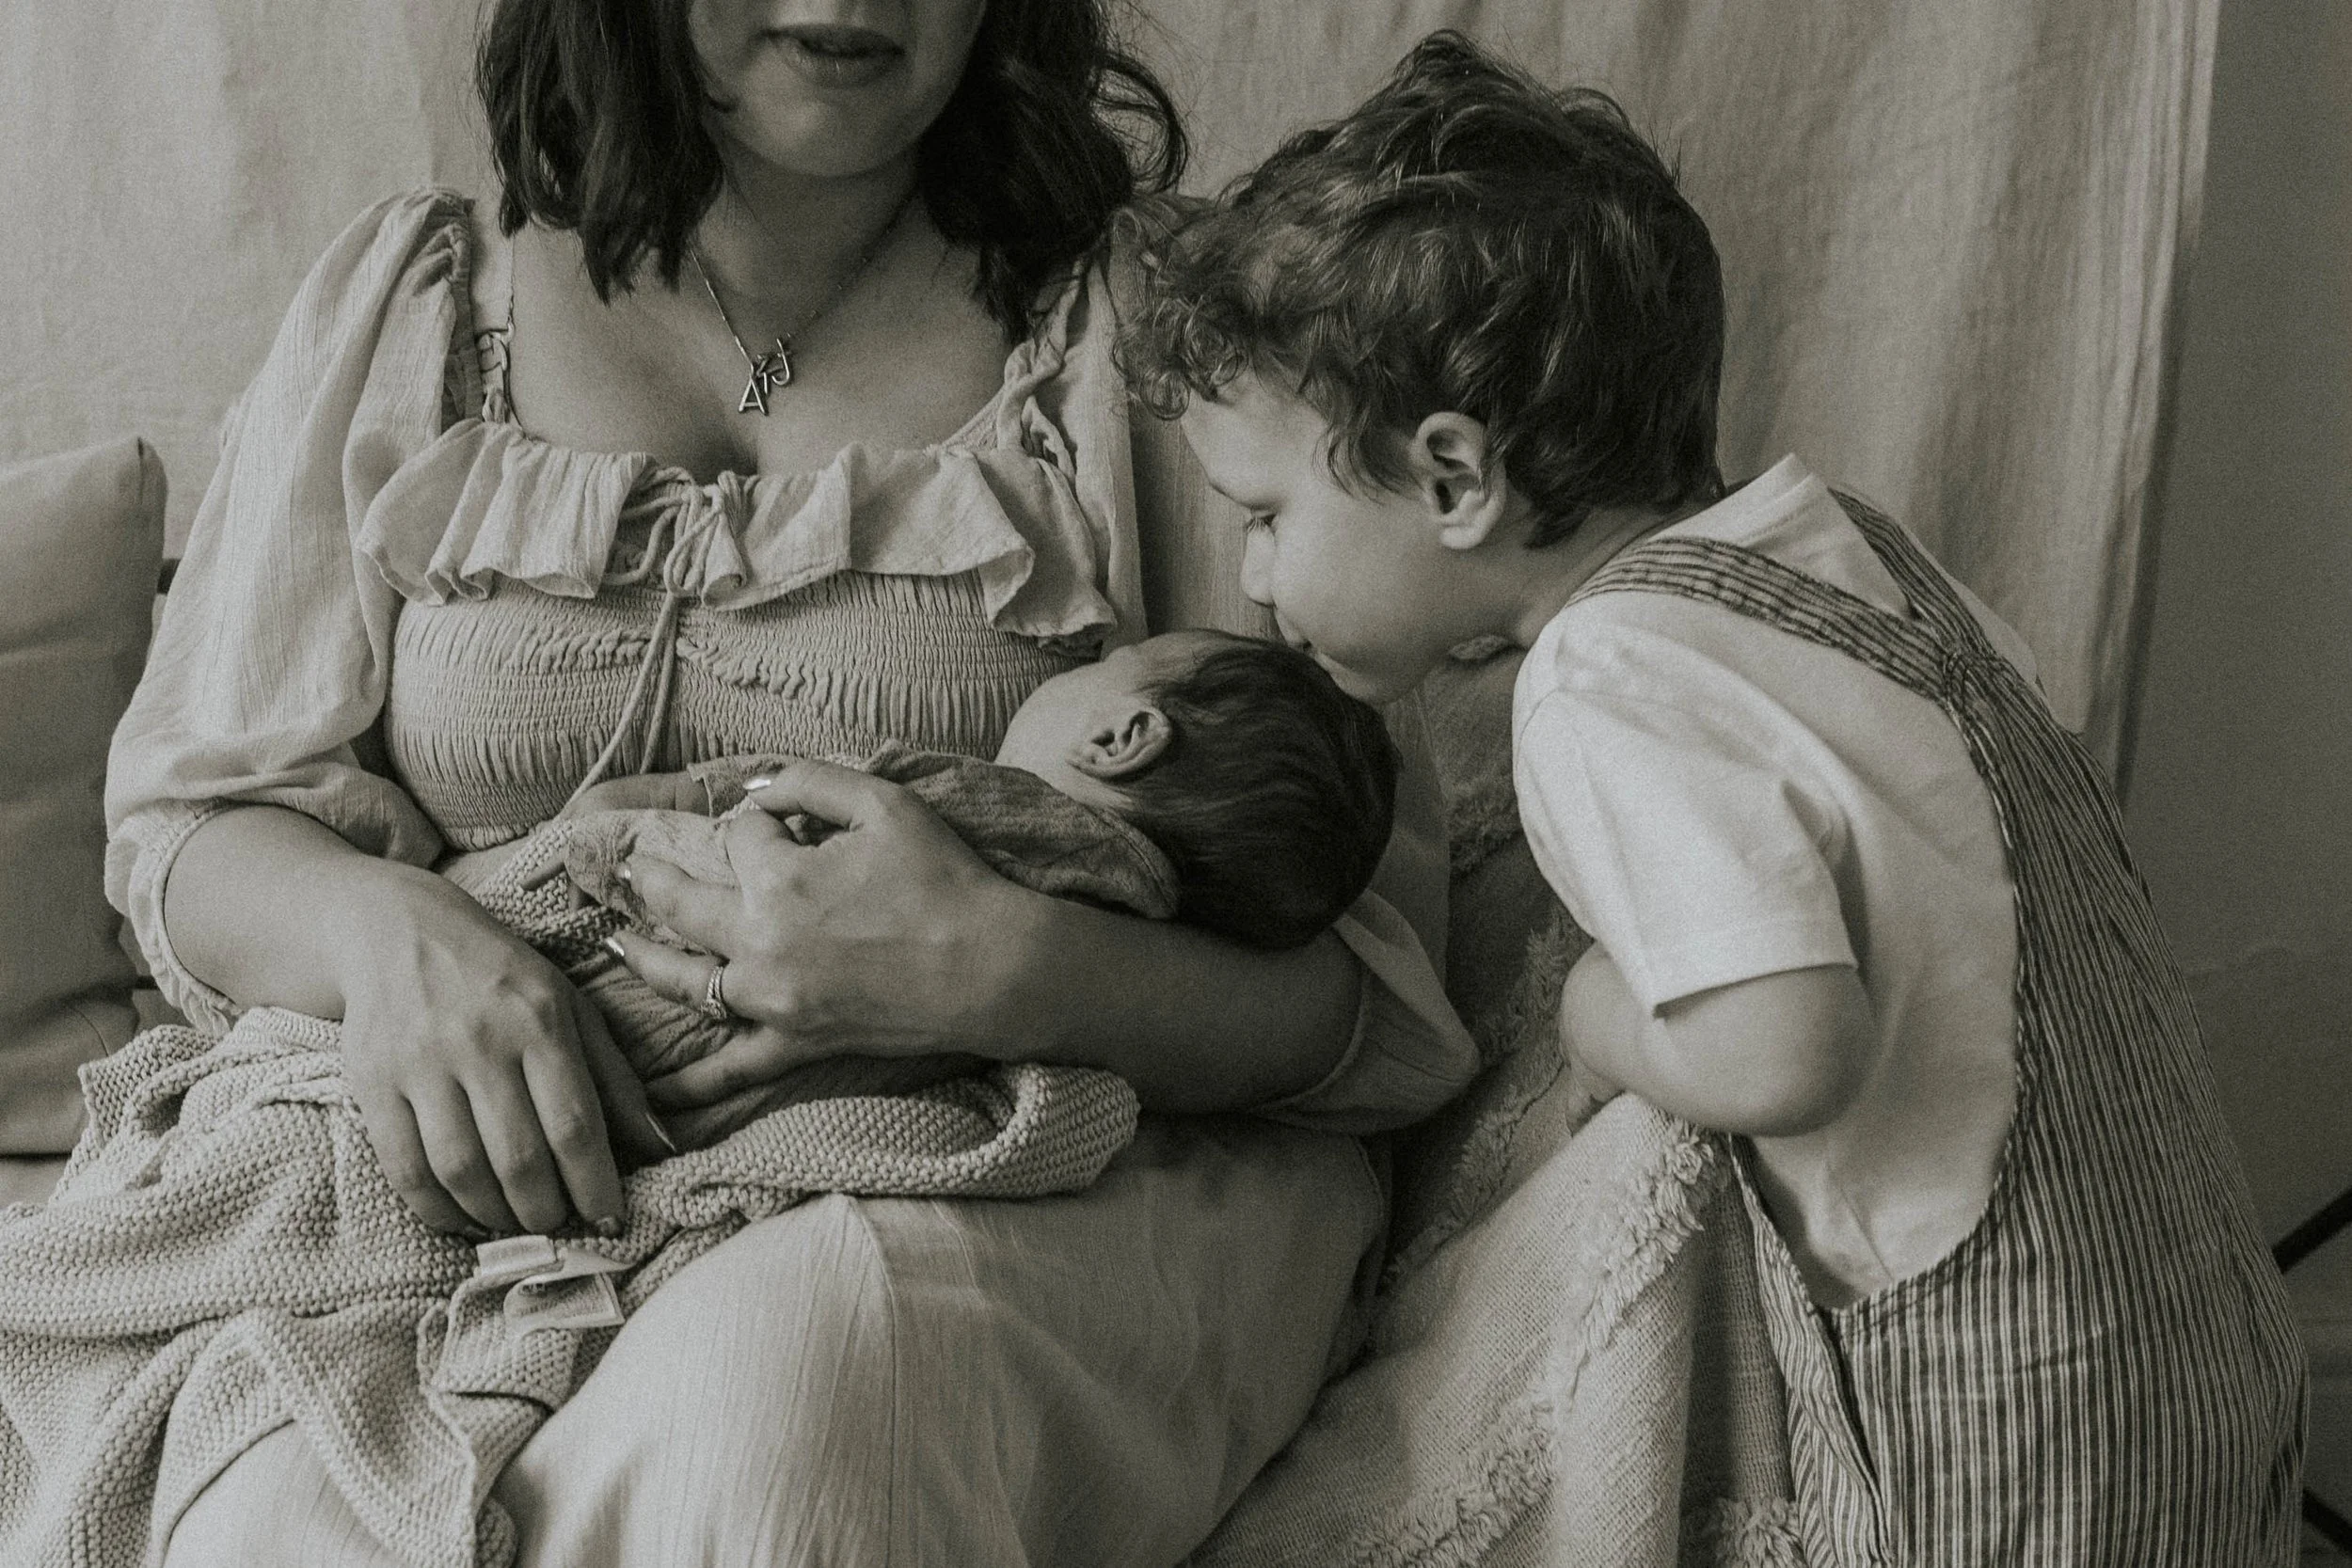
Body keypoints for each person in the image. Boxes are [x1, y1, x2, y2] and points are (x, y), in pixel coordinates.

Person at [106, 1, 1477, 1562]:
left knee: (778, 1398)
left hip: (983, 1156)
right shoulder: (413, 298)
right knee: (280, 1508)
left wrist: (1001, 965)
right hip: (473, 1159)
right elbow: (190, 828)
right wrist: (392, 940)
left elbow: (1377, 1009)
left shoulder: (1161, 331)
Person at [1132, 31, 2307, 1564]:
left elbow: (1785, 1046)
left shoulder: (1607, 674)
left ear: (1452, 479)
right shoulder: (1854, 556)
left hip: (2007, 1397)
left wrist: (1599, 1015)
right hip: (2198, 1313)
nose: (1249, 574)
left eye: (1268, 514)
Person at [491, 626, 1400, 1137]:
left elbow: (811, 788)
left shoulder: (987, 806)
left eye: (1100, 666)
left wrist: (672, 798)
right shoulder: (1150, 916)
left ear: (1121, 738)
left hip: (617, 969)